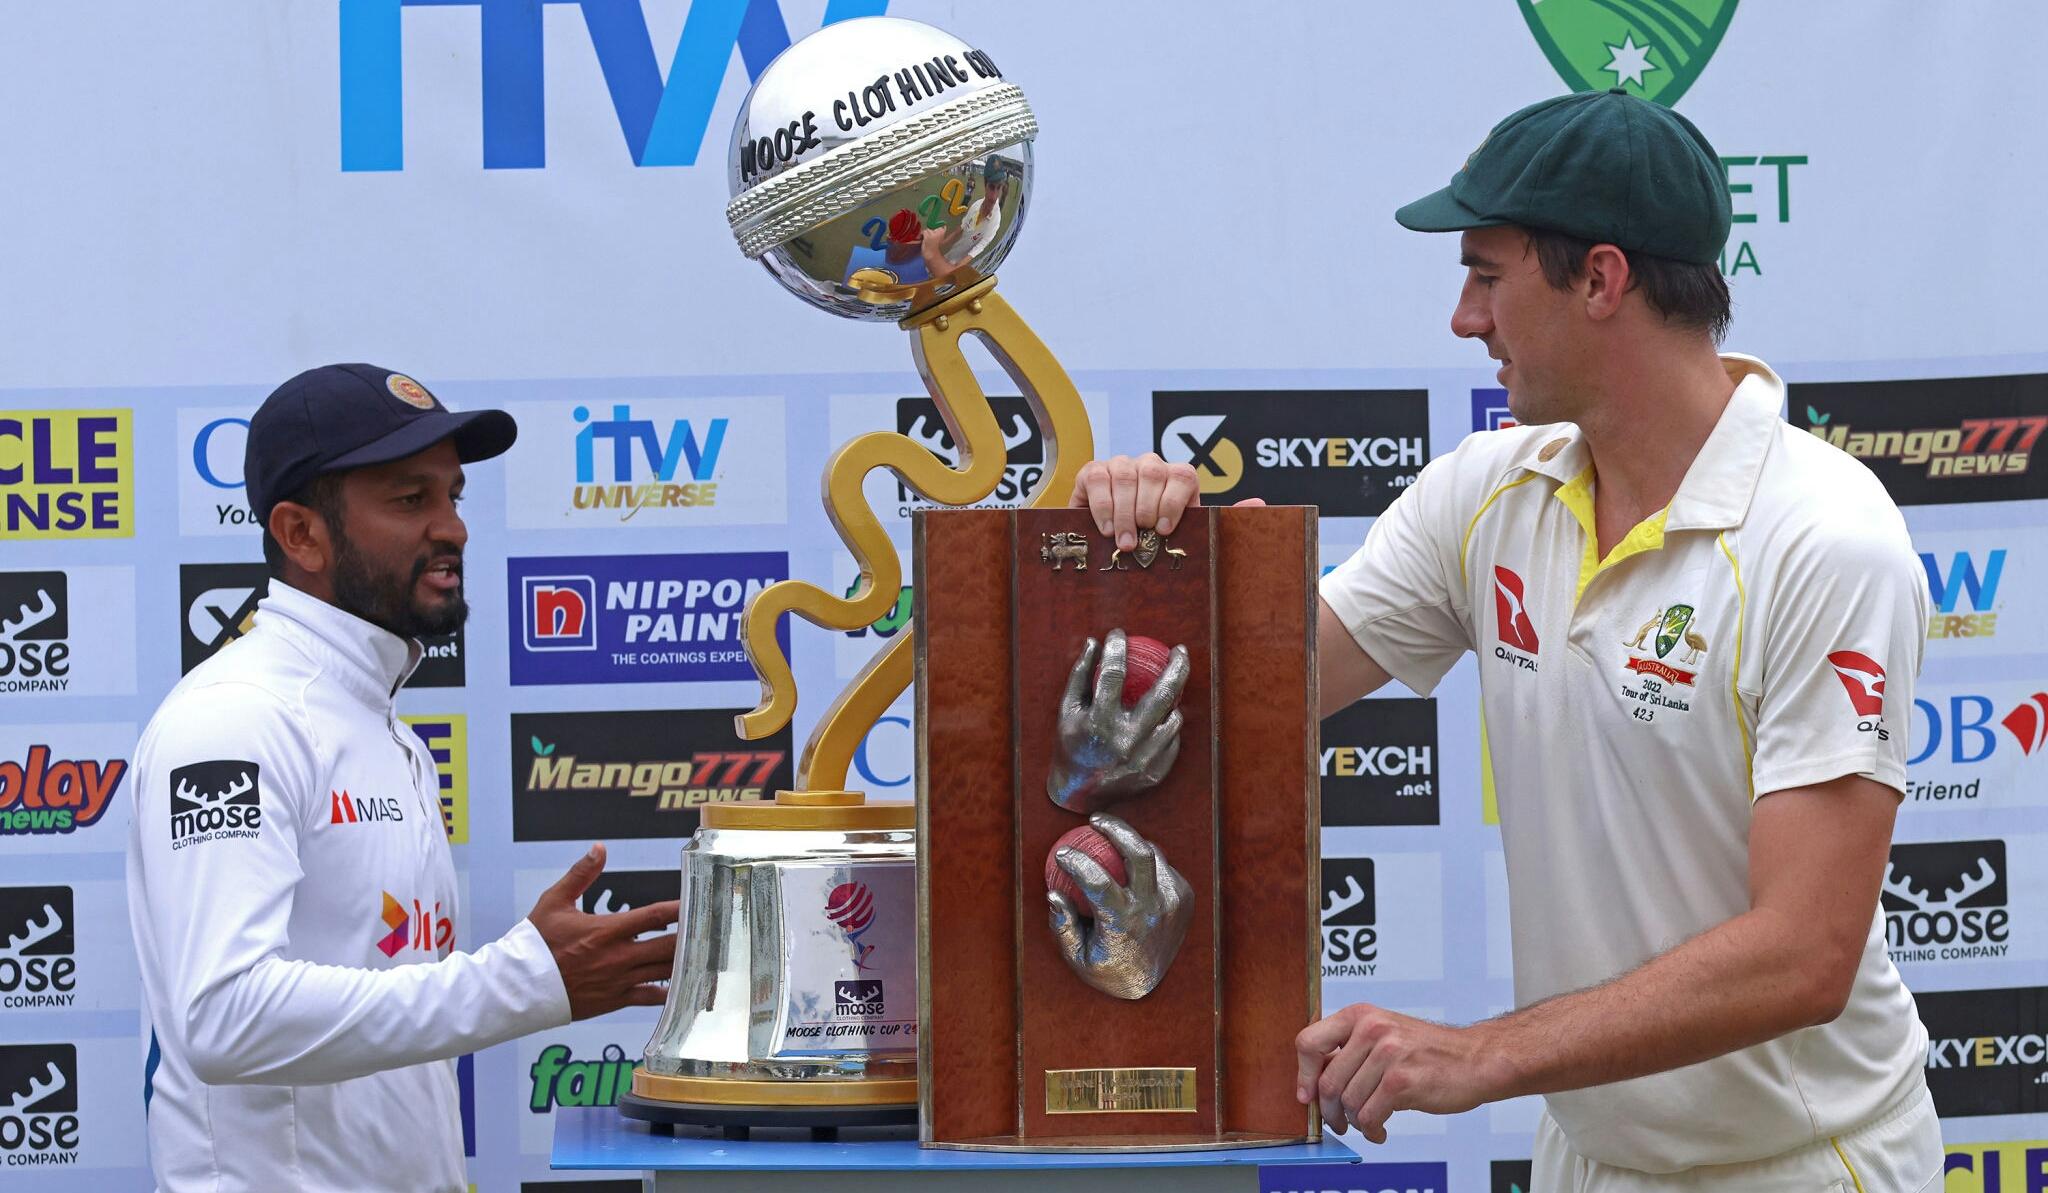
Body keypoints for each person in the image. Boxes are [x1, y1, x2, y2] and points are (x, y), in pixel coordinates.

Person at [1071, 90, 1940, 1191]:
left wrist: (1480, 1053)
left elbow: (1803, 954)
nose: (1462, 317)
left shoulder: (1823, 537)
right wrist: (1149, 556)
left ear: (1601, 280)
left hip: (1796, 1163)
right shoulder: (1487, 489)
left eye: (1485, 275)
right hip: (1588, 1153)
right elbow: (1247, 693)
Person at [126, 364, 680, 1192]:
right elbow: (224, 1016)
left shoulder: (386, 729)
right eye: (410, 499)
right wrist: (525, 979)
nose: (453, 527)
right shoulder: (233, 718)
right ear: (301, 534)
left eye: (453, 495)